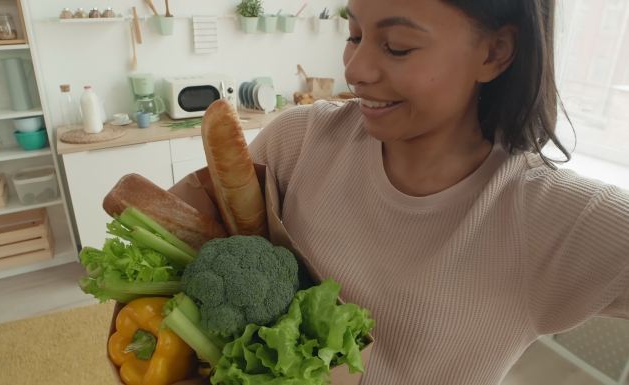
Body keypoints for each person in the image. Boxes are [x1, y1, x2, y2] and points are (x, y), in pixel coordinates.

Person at [248, 0, 629, 384]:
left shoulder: (549, 215)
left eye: (397, 46)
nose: (354, 69)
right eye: (355, 35)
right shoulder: (297, 142)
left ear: (494, 52)